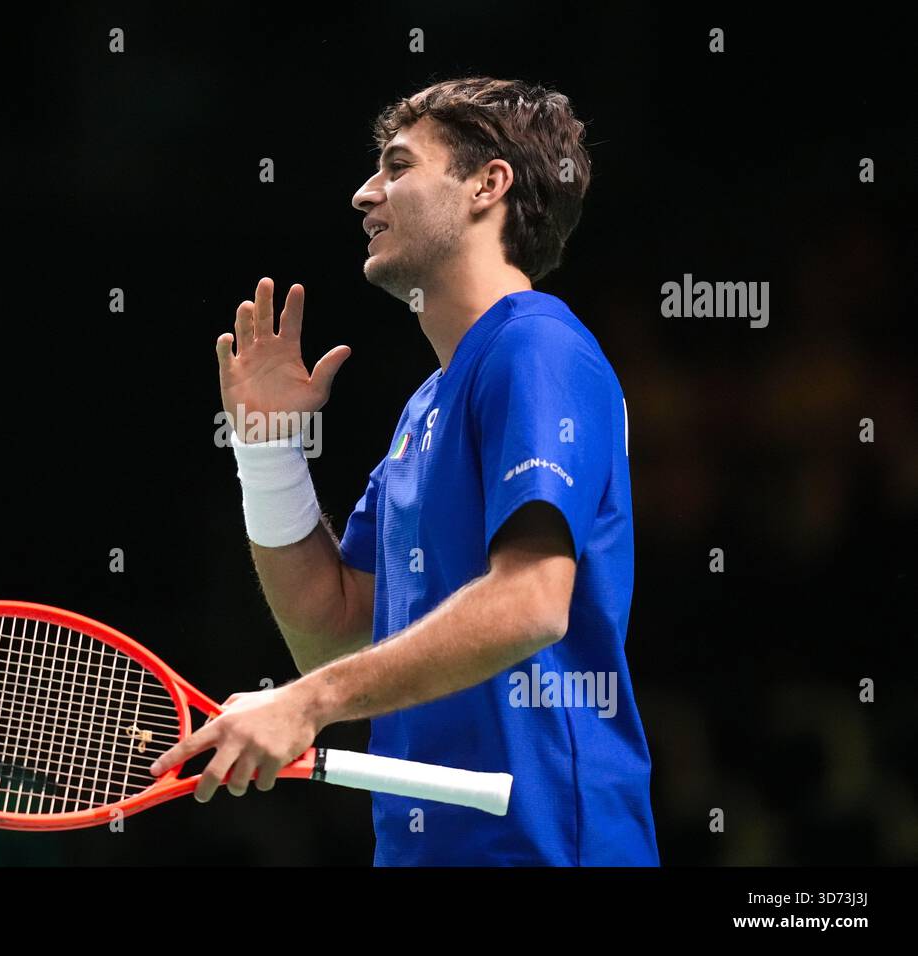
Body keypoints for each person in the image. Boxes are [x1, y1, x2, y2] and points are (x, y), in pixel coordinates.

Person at [150, 76, 659, 866]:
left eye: (396, 166)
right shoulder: (428, 408)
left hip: (548, 847)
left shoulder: (537, 349)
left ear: (488, 184)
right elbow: (332, 632)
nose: (364, 194)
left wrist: (307, 706)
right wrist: (269, 453)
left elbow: (532, 602)